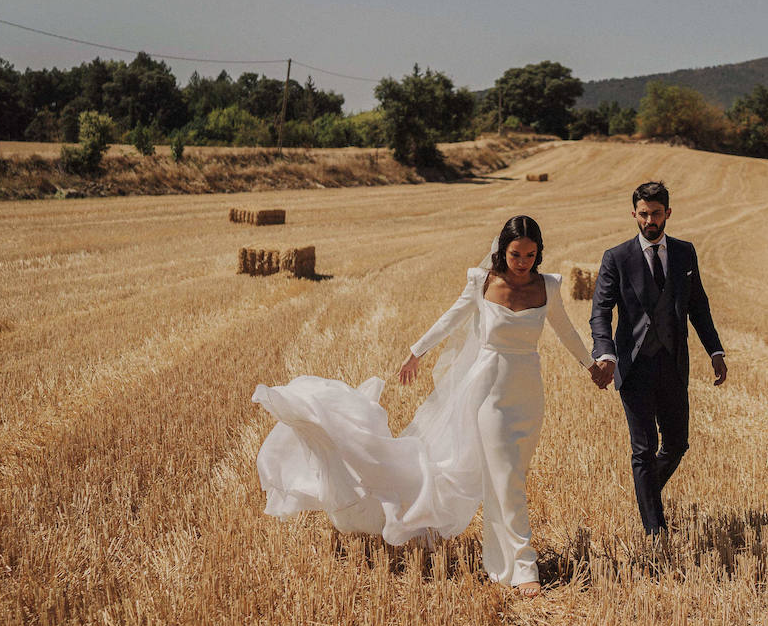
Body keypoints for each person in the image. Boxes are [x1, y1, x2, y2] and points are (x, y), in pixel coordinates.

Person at [253, 215, 603, 598]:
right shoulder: (482, 281)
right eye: (516, 254)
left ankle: (500, 561)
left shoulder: (548, 286)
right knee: (507, 478)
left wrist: (590, 365)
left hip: (528, 393)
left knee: (508, 477)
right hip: (489, 391)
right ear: (502, 252)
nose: (523, 263)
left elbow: (566, 330)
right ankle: (524, 565)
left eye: (531, 255)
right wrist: (416, 352)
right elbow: (452, 317)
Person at [589, 181, 726, 538]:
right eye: (644, 213)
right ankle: (655, 529)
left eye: (657, 213)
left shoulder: (685, 253)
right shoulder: (616, 258)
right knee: (644, 449)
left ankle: (646, 493)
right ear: (634, 214)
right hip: (633, 367)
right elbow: (600, 312)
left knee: (678, 444)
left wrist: (715, 350)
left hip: (673, 364)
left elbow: (699, 305)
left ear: (668, 212)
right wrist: (605, 353)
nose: (650, 219)